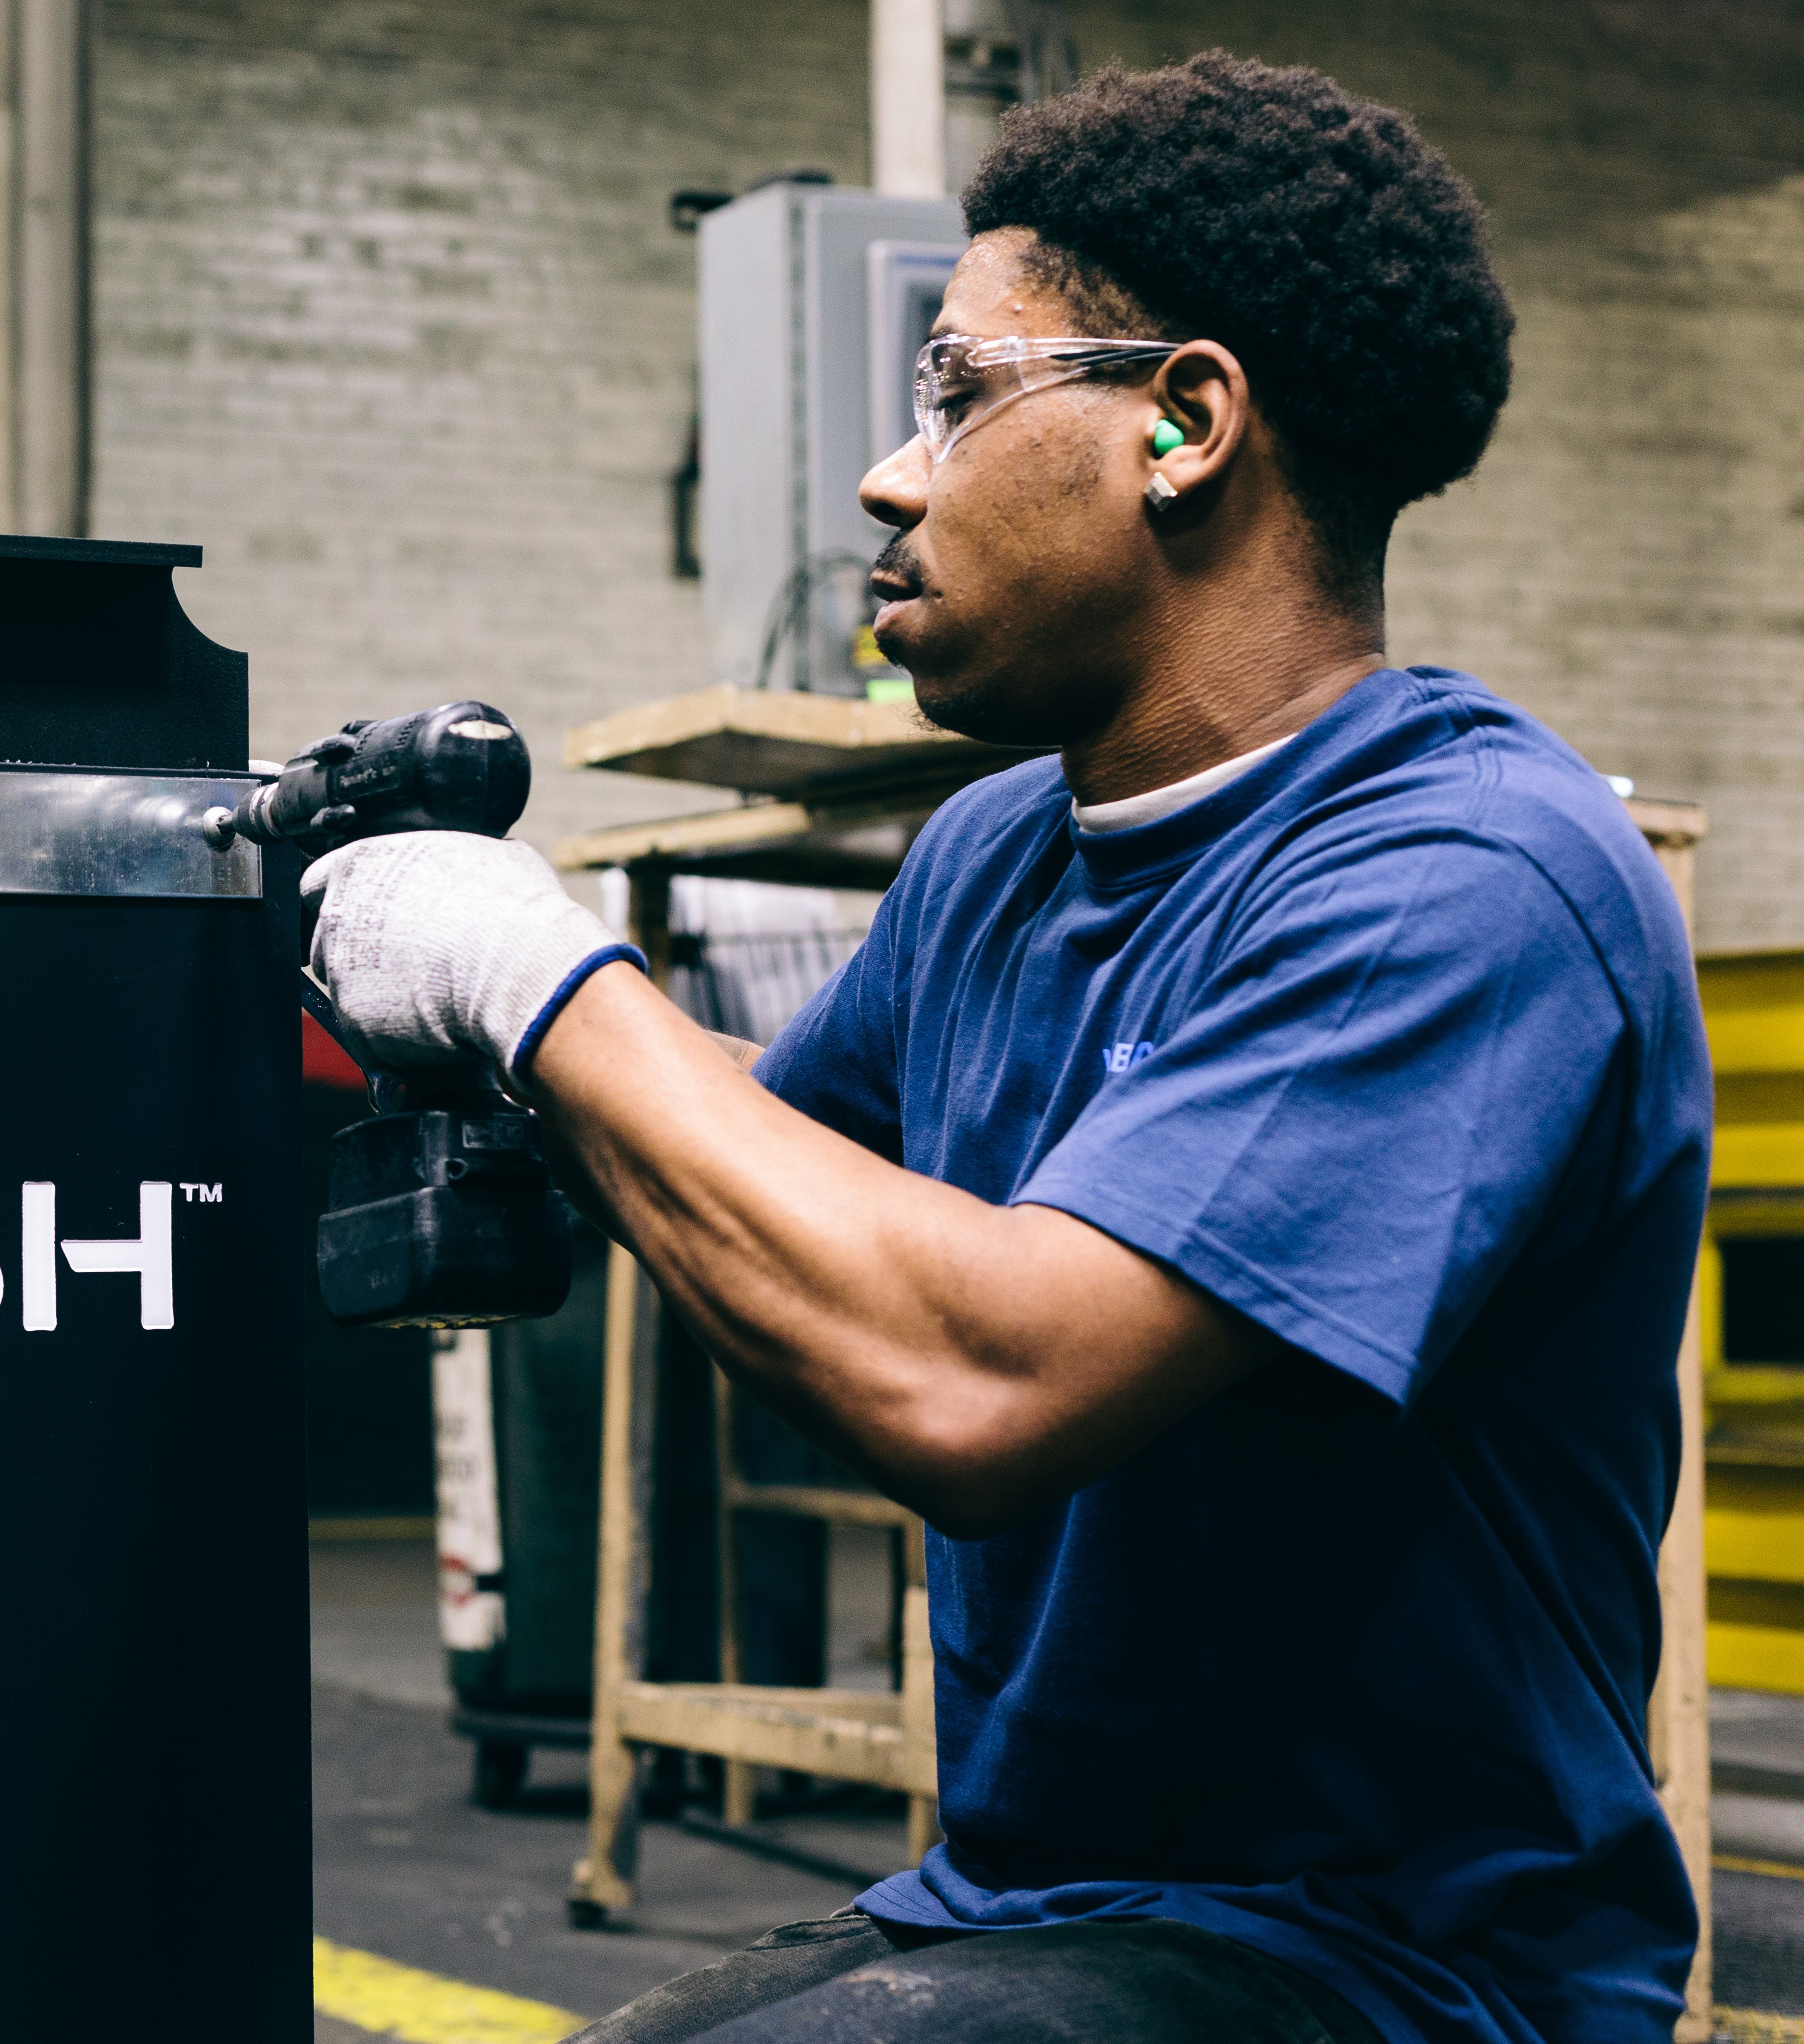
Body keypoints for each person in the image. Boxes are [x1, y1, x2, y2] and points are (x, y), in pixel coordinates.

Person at [301, 51, 1707, 2044]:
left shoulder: (1470, 878)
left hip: (1392, 1963)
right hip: (1030, 1901)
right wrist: (454, 1075)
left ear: (1185, 426)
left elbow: (972, 1378)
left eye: (959, 392)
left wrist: (543, 975)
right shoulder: (990, 858)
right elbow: (757, 1202)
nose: (893, 474)